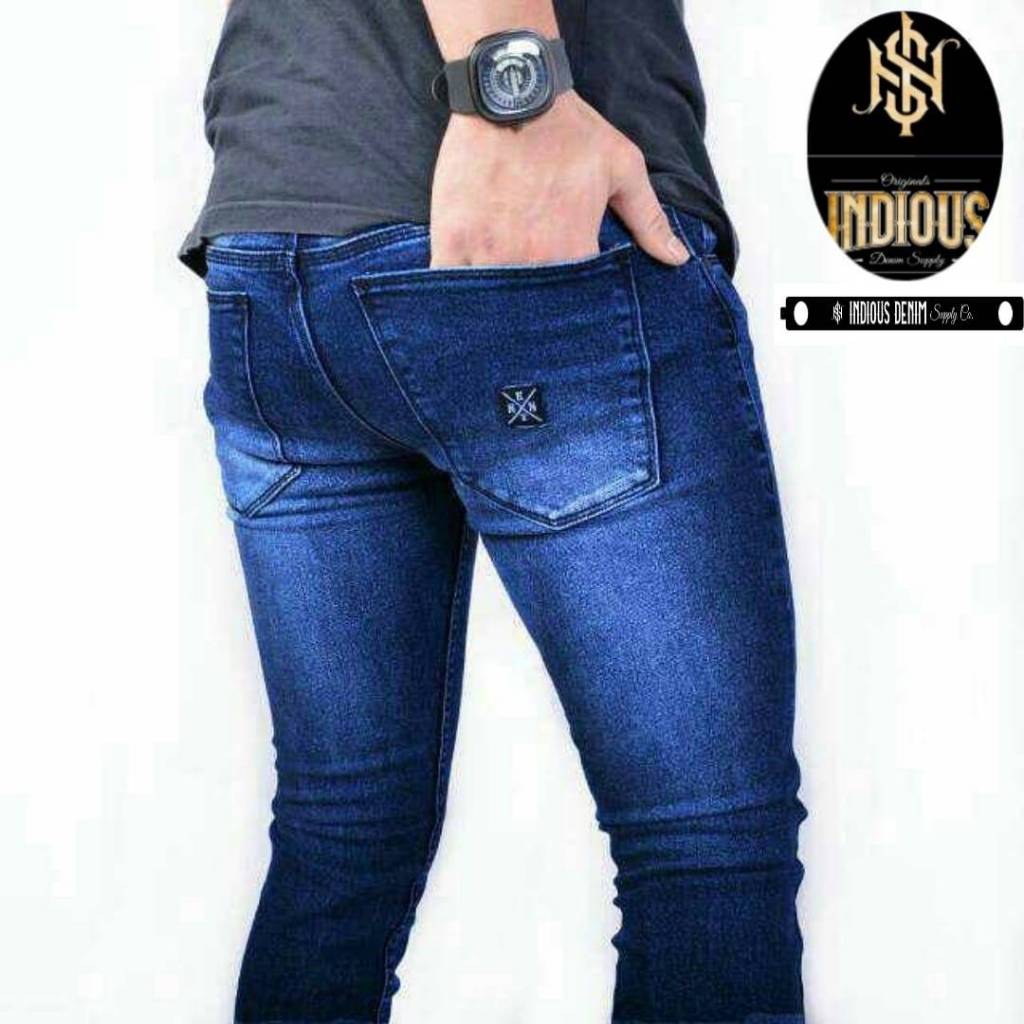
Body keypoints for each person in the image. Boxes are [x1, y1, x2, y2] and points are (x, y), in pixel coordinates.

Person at [182, 2, 806, 1022]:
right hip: (509, 214)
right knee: (703, 847)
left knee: (344, 833)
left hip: (274, 241)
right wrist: (513, 92)